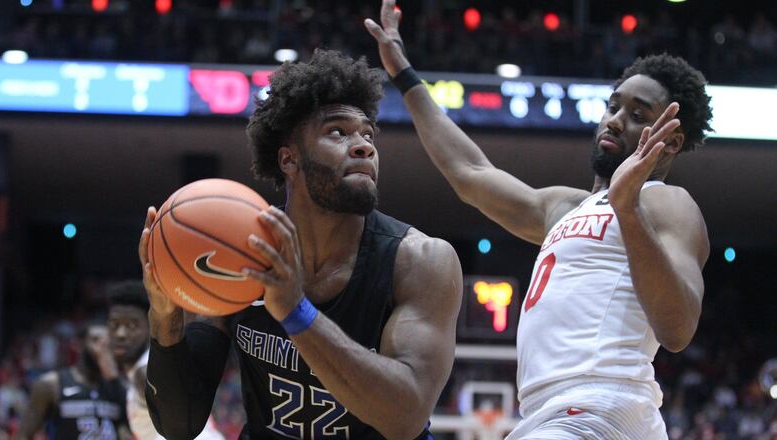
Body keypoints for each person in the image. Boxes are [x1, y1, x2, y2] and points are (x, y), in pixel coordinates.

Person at [365, 1, 712, 438]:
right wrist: (403, 74)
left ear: (672, 140)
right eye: (614, 106)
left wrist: (628, 209)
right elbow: (470, 174)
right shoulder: (563, 208)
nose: (616, 120)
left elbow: (678, 328)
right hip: (551, 414)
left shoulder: (667, 203)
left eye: (638, 115)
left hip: (601, 406)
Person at [138, 49, 463, 440]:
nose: (363, 146)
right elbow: (179, 425)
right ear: (289, 160)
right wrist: (166, 313)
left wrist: (296, 312)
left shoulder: (420, 260)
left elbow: (405, 417)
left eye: (367, 134)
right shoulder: (242, 251)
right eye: (337, 132)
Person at [105, 280, 225, 440]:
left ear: (152, 325)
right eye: (114, 325)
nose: (121, 334)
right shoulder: (136, 374)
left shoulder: (144, 372)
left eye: (132, 326)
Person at [16, 323, 131, 440]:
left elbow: (139, 427)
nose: (102, 348)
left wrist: (115, 380)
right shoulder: (52, 384)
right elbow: (24, 434)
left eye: (107, 342)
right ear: (79, 345)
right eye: (96, 340)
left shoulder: (121, 388)